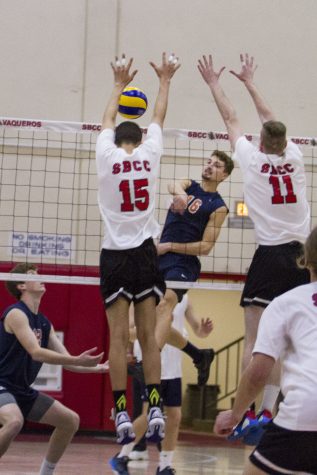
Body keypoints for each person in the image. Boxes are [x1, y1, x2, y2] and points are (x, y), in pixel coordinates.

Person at [198, 52, 310, 443]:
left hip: (269, 255)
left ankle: (244, 414)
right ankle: (269, 410)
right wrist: (250, 82)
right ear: (285, 142)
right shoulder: (295, 157)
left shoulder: (251, 158)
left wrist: (216, 83)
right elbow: (269, 119)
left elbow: (233, 120)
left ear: (261, 143)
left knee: (257, 340)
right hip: (302, 258)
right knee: (291, 340)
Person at [95, 52, 180, 445]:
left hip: (115, 255)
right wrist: (164, 80)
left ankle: (120, 412)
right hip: (146, 254)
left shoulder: (106, 155)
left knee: (117, 338)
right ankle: (156, 405)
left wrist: (117, 84)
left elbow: (107, 120)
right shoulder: (150, 154)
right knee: (148, 335)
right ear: (140, 139)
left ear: (115, 142)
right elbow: (158, 118)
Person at [215, 225, 317, 475]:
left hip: (305, 413)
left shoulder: (286, 304)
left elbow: (258, 371)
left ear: (305, 260)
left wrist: (236, 414)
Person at [0, 263, 107, 475]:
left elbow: (67, 361)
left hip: (20, 389)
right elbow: (36, 352)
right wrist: (78, 360)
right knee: (14, 422)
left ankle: (46, 473)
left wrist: (97, 368)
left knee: (70, 421)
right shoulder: (16, 314)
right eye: (32, 275)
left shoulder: (44, 323)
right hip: (1, 384)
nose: (40, 276)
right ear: (21, 286)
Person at [109, 294, 214, 475]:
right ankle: (122, 455)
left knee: (174, 415)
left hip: (173, 364)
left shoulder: (185, 297)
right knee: (148, 413)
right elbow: (129, 331)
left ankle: (165, 466)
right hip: (150, 360)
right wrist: (145, 335)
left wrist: (203, 330)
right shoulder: (144, 294)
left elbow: (197, 329)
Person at [155, 150, 234, 386]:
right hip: (159, 259)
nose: (210, 166)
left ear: (225, 175)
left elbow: (206, 246)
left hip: (183, 263)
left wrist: (169, 246)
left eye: (217, 165)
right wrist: (181, 195)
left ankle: (149, 360)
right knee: (150, 322)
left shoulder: (218, 207)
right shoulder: (190, 185)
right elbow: (173, 184)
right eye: (209, 162)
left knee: (165, 305)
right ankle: (200, 355)